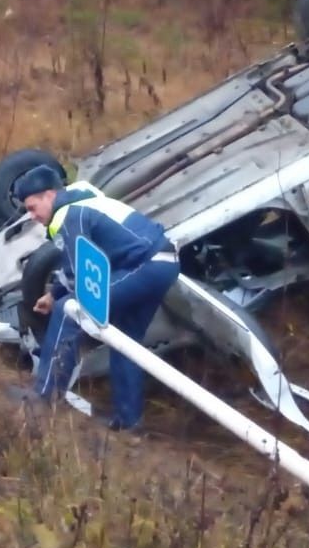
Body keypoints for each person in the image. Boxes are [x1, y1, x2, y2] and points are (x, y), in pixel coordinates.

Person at [11, 165, 181, 431]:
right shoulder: (83, 201)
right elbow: (85, 267)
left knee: (70, 311)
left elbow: (79, 275)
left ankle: (43, 397)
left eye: (33, 207)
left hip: (144, 266)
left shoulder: (70, 215)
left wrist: (59, 297)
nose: (32, 216)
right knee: (125, 343)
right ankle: (129, 423)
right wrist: (53, 293)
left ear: (49, 195)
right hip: (161, 263)